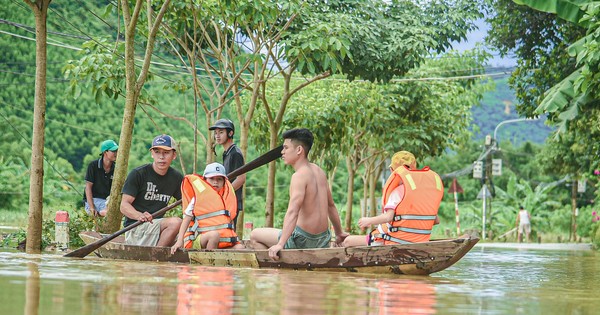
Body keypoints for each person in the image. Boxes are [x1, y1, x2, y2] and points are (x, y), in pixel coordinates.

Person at [249, 128, 348, 260]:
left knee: (255, 235)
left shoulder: (299, 176)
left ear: (299, 150)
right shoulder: (319, 171)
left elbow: (293, 211)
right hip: (323, 239)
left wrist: (280, 244)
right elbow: (331, 205)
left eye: (285, 148)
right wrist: (339, 232)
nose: (282, 152)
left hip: (302, 240)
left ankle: (275, 268)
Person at [343, 151, 443, 247]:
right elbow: (436, 220)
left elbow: (388, 217)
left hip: (393, 240)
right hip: (419, 241)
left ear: (392, 170)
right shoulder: (423, 195)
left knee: (347, 241)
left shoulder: (397, 192)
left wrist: (368, 220)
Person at [120, 134, 184, 246]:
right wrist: (139, 215)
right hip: (136, 228)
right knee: (176, 223)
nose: (161, 157)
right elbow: (124, 206)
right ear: (152, 154)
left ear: (174, 155)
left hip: (157, 229)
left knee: (187, 232)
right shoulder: (138, 174)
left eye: (166, 152)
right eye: (157, 152)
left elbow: (186, 203)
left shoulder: (176, 178)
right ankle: (157, 256)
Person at [170, 162, 244, 254]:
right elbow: (186, 219)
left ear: (224, 181)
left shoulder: (226, 197)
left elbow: (229, 222)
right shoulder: (198, 197)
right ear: (205, 180)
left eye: (219, 179)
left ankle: (224, 265)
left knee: (240, 248)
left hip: (221, 242)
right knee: (214, 235)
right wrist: (179, 240)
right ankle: (208, 263)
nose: (215, 182)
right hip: (198, 239)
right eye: (212, 178)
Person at [209, 118, 246, 227]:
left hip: (232, 202)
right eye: (215, 133)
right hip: (226, 201)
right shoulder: (227, 153)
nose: (217, 136)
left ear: (230, 133)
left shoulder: (235, 153)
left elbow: (241, 179)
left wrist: (224, 194)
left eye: (221, 132)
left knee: (228, 235)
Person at [83, 139, 118, 217]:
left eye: (117, 151)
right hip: (93, 200)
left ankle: (103, 212)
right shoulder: (93, 166)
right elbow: (88, 187)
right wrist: (92, 207)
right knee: (110, 212)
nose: (116, 153)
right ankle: (101, 212)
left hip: (107, 201)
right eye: (113, 151)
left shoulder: (116, 169)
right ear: (105, 152)